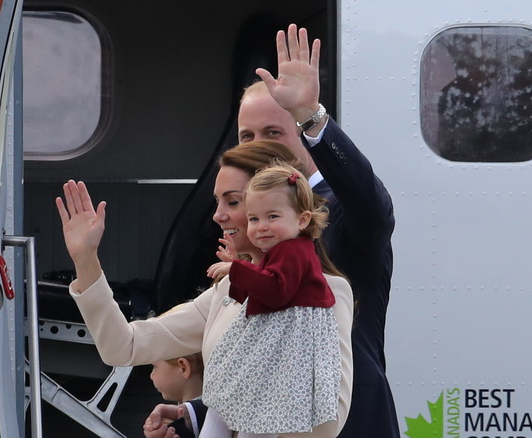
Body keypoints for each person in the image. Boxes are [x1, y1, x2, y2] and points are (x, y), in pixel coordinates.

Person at [54, 140, 354, 438]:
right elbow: (124, 346)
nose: (217, 215)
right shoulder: (226, 292)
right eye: (218, 201)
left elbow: (327, 423)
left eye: (233, 201)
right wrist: (86, 260)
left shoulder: (327, 291)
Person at [235, 24, 399, 438]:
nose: (258, 146)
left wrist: (311, 116)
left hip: (347, 420)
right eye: (246, 136)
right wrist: (195, 412)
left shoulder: (343, 209)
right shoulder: (247, 225)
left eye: (273, 132)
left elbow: (374, 208)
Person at [201, 163, 342, 437]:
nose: (261, 227)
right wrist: (239, 265)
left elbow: (277, 291)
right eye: (253, 219)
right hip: (274, 344)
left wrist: (236, 269)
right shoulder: (282, 251)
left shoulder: (294, 251)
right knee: (245, 401)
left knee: (259, 406)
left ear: (302, 220)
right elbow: (258, 292)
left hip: (284, 346)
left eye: (272, 216)